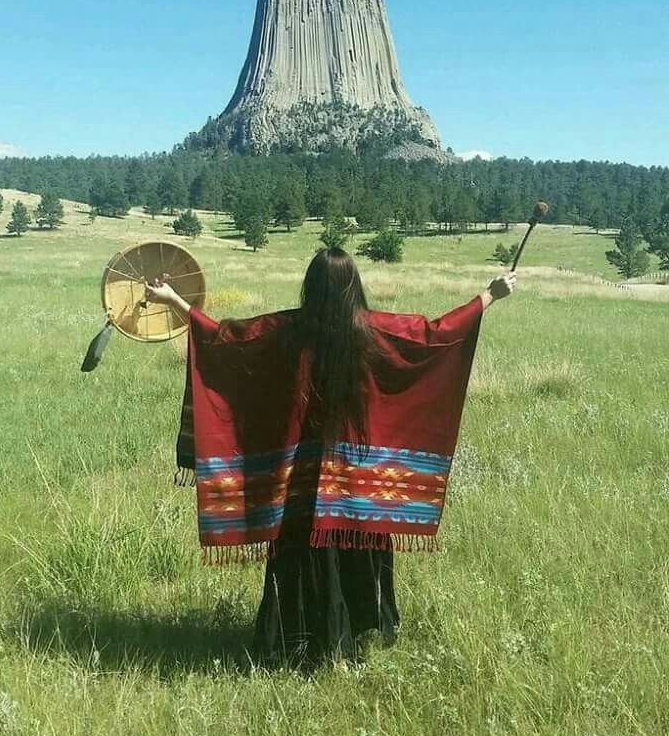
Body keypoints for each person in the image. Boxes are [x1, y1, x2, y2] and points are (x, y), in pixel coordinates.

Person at [146, 248, 515, 667]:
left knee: (299, 552)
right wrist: (489, 295)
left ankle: (294, 641)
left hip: (298, 484)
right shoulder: (375, 331)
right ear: (353, 286)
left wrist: (176, 301)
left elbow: (227, 340)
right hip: (358, 484)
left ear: (312, 285)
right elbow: (433, 335)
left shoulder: (287, 330)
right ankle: (354, 634)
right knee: (353, 543)